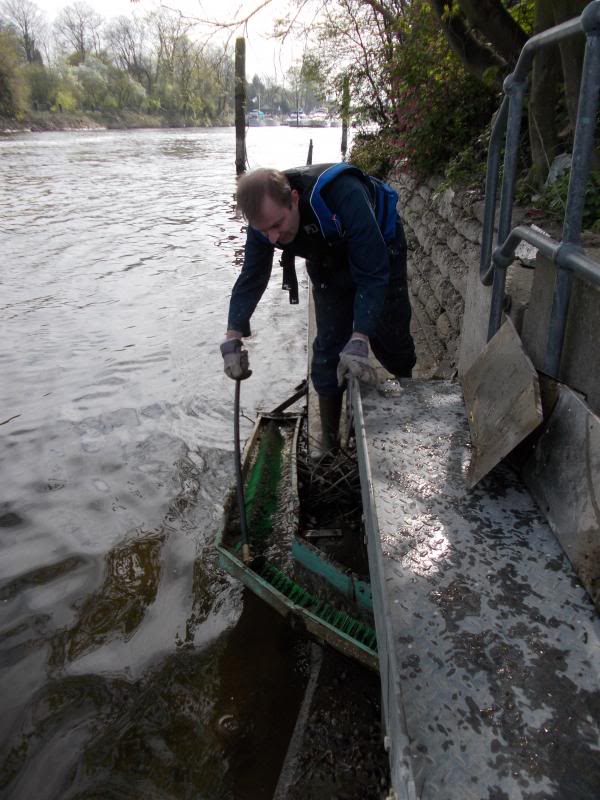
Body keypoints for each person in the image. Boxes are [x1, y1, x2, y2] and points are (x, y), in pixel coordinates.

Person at [220, 162, 416, 449]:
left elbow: (372, 274)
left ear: (295, 199)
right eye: (265, 231)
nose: (273, 237)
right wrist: (232, 337)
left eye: (277, 225)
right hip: (327, 258)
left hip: (381, 247)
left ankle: (408, 406)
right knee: (328, 348)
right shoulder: (264, 223)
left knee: (390, 338)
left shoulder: (343, 194)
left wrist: (360, 337)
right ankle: (328, 445)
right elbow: (252, 277)